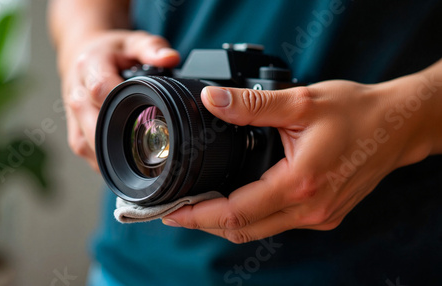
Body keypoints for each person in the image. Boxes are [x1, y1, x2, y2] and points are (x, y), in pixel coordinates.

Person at [49, 0, 442, 285]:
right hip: (130, 268)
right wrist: (85, 44)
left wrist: (402, 124)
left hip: (370, 262)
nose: (157, 137)